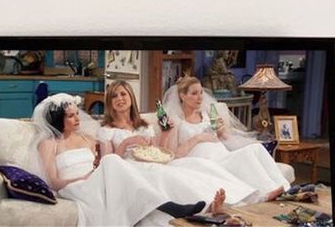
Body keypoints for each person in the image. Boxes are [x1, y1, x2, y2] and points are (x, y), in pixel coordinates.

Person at [33, 93, 225, 226]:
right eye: (70, 116)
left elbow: (99, 163)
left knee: (124, 167)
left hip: (97, 179)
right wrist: (85, 178)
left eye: (77, 114)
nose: (77, 119)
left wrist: (96, 172)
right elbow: (53, 182)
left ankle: (180, 207)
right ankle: (170, 207)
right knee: (112, 162)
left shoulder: (86, 138)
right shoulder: (50, 144)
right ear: (58, 119)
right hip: (75, 188)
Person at [98, 80, 255, 207]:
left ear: (131, 98)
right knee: (163, 176)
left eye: (123, 94)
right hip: (128, 169)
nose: (120, 99)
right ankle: (185, 207)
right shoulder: (106, 130)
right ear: (109, 103)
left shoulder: (144, 126)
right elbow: (108, 163)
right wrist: (126, 143)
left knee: (182, 173)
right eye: (114, 96)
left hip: (150, 163)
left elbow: (157, 151)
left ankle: (211, 203)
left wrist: (165, 134)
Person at [162, 76, 289, 203]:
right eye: (194, 93)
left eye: (201, 92)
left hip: (221, 153)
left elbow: (224, 137)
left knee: (257, 148)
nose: (200, 97)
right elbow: (174, 154)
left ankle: (285, 187)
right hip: (204, 160)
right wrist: (198, 138)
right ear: (183, 96)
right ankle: (265, 192)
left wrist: (221, 131)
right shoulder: (175, 120)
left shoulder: (207, 114)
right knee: (245, 156)